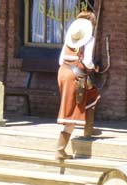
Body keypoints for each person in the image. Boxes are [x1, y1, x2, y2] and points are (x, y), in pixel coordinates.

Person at [55, 11, 101, 160]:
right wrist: (94, 67)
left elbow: (61, 60)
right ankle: (60, 150)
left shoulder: (69, 39)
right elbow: (87, 61)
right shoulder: (90, 39)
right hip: (75, 77)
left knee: (93, 94)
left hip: (63, 72)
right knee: (72, 113)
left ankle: (88, 128)